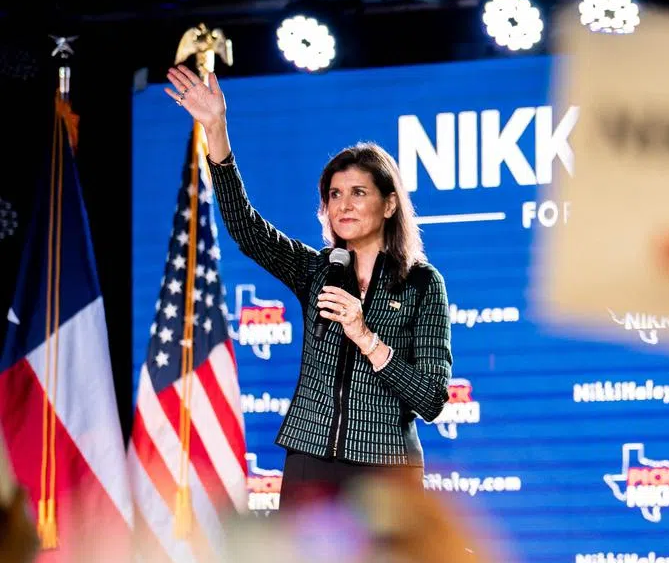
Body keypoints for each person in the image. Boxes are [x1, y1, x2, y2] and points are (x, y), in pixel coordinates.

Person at [164, 64, 453, 509]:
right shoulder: (316, 269)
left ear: (390, 203)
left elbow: (432, 399)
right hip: (310, 461)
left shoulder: (420, 282)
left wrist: (365, 336)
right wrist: (216, 132)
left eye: (358, 192)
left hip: (384, 472)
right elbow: (246, 229)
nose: (343, 204)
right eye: (334, 194)